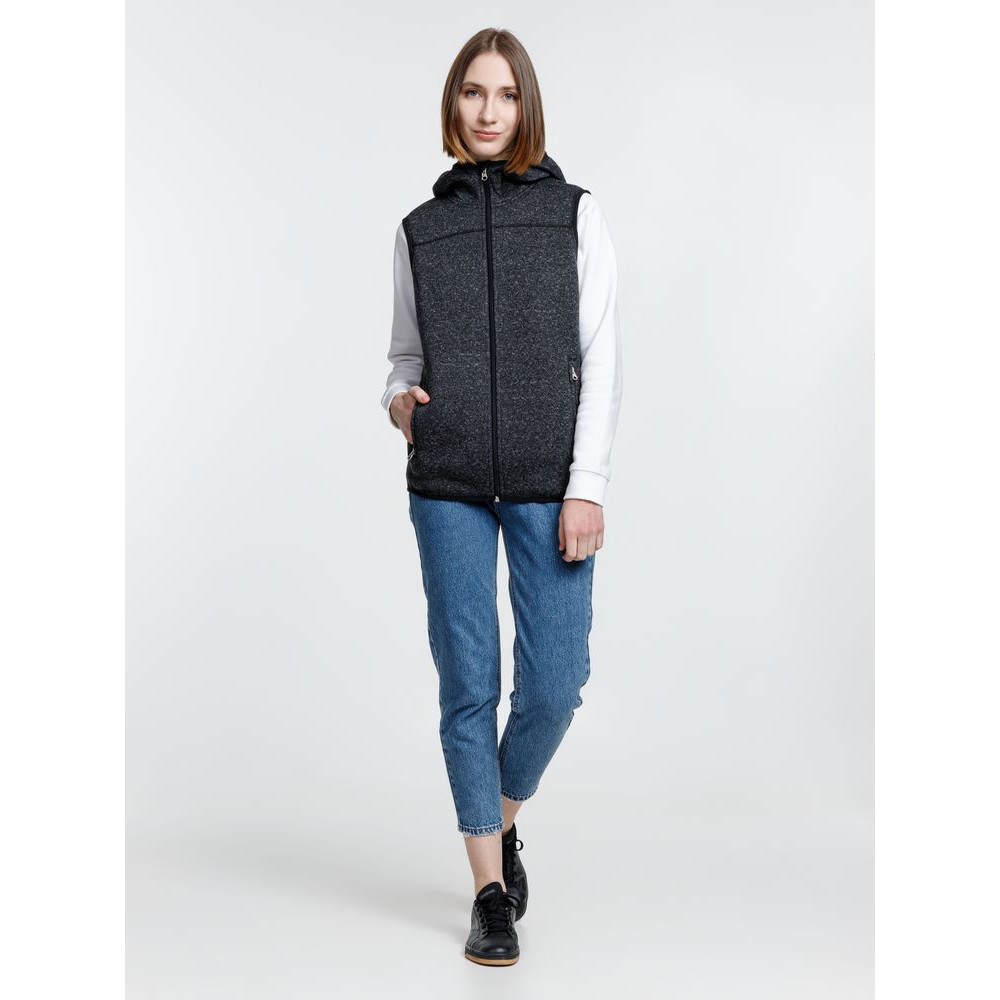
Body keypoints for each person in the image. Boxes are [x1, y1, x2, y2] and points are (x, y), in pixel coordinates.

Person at [381, 27, 623, 966]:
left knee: (555, 685)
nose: (489, 111)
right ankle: (489, 890)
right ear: (454, 103)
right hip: (445, 481)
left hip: (546, 481)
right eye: (474, 93)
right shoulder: (419, 230)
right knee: (468, 685)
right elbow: (403, 358)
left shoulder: (573, 215)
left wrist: (585, 486)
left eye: (506, 94)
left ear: (527, 106)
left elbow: (602, 358)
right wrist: (400, 403)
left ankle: (502, 817)